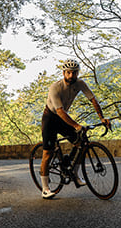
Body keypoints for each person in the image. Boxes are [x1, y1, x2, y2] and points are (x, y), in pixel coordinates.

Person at [40, 59, 111, 199]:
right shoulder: (55, 87)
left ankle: (75, 175)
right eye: (69, 73)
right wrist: (76, 126)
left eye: (75, 73)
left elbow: (93, 100)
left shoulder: (80, 83)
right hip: (50, 118)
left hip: (62, 117)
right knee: (47, 153)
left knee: (80, 144)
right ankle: (45, 188)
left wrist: (102, 118)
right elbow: (59, 111)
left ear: (78, 73)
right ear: (64, 73)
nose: (72, 75)